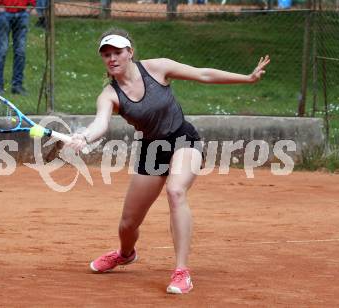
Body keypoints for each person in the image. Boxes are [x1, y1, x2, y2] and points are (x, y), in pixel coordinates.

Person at [66, 28, 270, 294]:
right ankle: (126, 253)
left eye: (117, 52)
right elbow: (100, 124)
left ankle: (181, 271)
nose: (112, 58)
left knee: (176, 192)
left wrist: (247, 78)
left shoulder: (157, 68)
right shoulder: (110, 94)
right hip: (153, 150)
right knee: (128, 224)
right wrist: (84, 136)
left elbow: (203, 73)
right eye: (106, 54)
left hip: (183, 138)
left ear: (130, 52)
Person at [0, 0, 35, 95]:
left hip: (22, 13)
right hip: (3, 13)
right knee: (2, 50)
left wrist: (31, 5)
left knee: (20, 51)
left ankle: (17, 86)